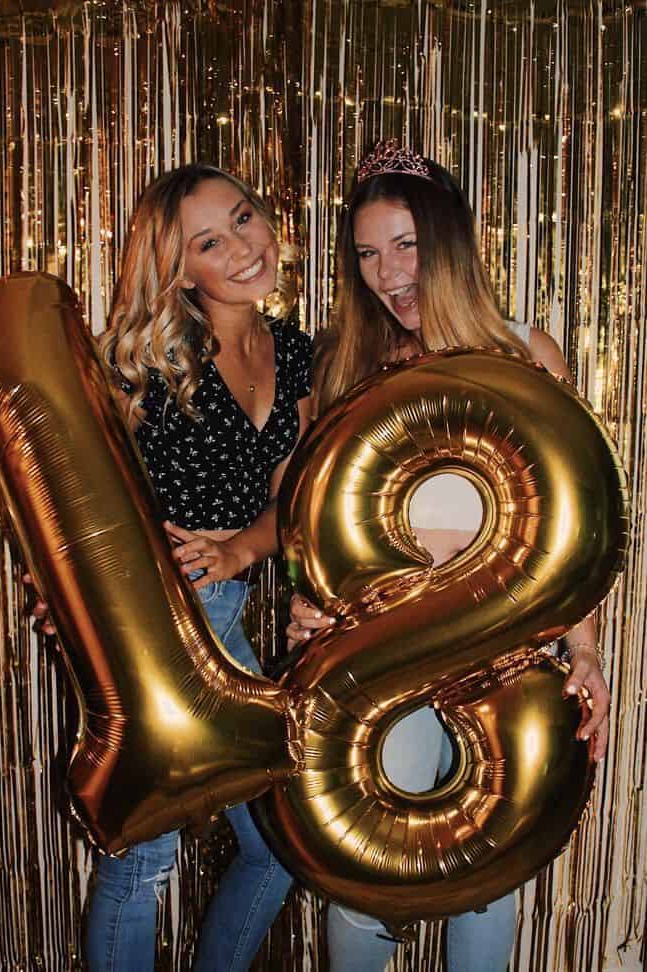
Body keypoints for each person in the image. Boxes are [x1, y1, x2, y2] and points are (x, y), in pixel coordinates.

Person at [286, 140, 610, 972]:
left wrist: (583, 652)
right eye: (366, 252)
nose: (387, 273)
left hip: (500, 657)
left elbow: (572, 525)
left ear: (450, 244)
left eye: (406, 246)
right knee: (362, 886)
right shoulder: (343, 373)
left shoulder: (524, 354)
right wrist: (304, 603)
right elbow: (301, 532)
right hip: (381, 661)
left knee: (485, 880)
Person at [31, 162, 311, 971]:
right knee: (143, 860)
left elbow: (292, 497)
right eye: (209, 242)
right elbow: (68, 488)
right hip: (149, 619)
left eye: (245, 219)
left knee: (279, 846)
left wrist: (242, 548)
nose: (243, 247)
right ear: (180, 268)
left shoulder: (290, 351)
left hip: (223, 613)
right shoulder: (142, 357)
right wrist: (64, 587)